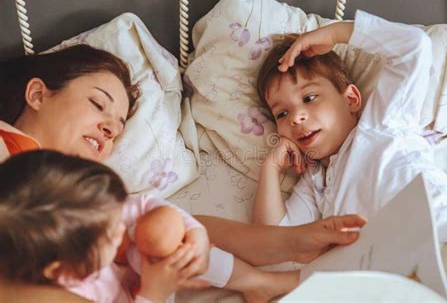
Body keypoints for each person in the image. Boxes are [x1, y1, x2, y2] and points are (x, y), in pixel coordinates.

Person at [0, 43, 365, 285]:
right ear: (37, 94)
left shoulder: (84, 192)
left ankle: (270, 274)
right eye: (98, 104)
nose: (111, 129)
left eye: (119, 127)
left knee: (171, 223)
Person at [253, 10, 447, 244]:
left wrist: (336, 34)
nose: (296, 118)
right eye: (282, 113)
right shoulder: (317, 183)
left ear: (350, 100)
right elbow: (274, 244)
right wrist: (270, 167)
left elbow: (414, 47)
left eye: (309, 98)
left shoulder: (381, 122)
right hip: (406, 275)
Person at [0, 150, 301, 303]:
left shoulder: (90, 213)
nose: (120, 229)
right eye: (109, 235)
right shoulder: (77, 292)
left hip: (149, 269)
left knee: (163, 233)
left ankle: (257, 281)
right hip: (147, 295)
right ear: (63, 270)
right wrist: (154, 291)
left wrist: (194, 234)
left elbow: (145, 207)